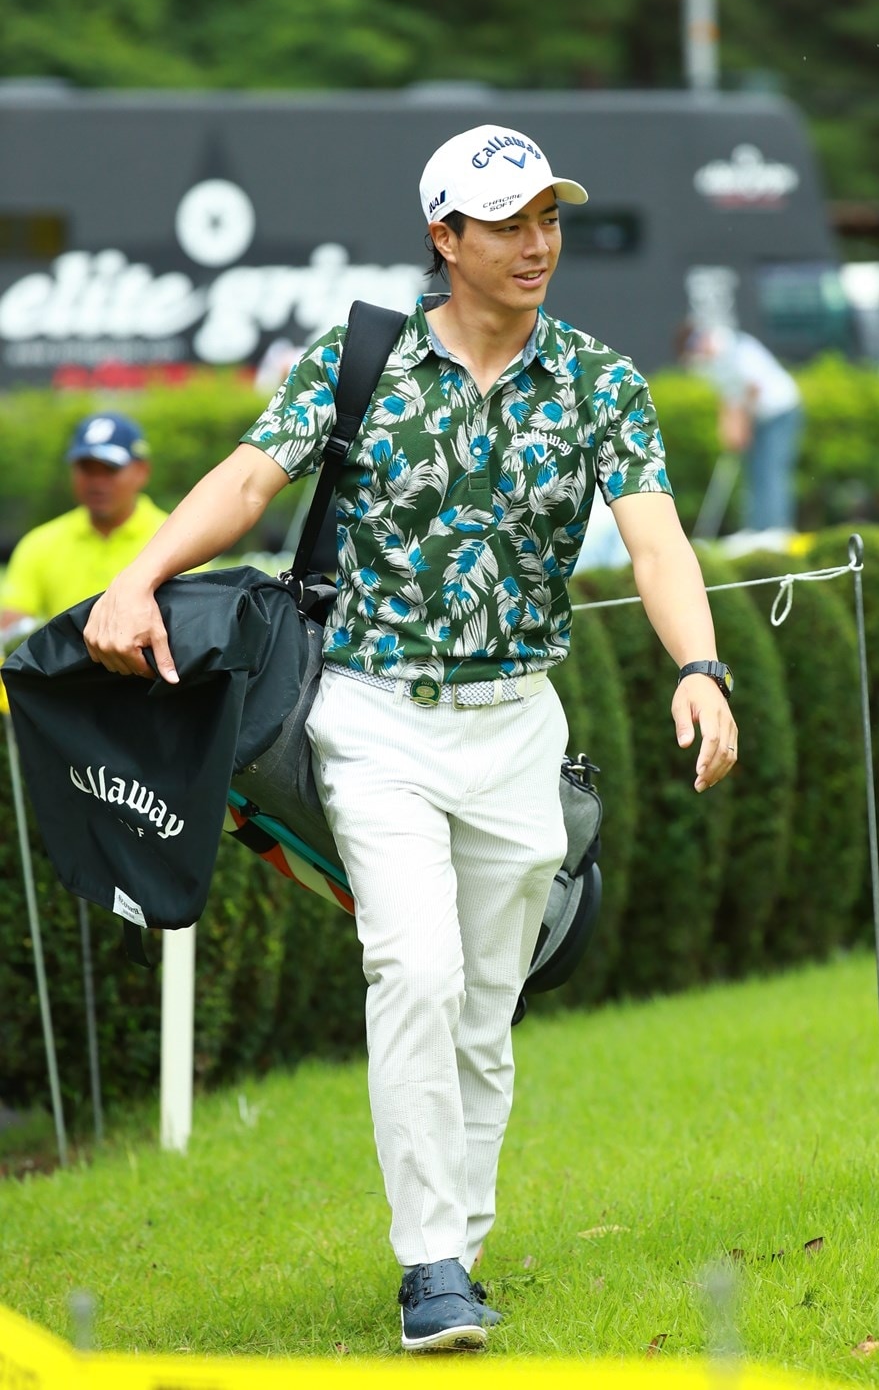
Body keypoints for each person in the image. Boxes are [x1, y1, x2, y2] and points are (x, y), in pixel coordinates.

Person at [82, 126, 739, 1354]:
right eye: (507, 223)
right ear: (445, 237)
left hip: (518, 724)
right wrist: (137, 577)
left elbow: (656, 539)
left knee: (485, 1007)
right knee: (417, 973)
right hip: (372, 719)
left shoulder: (598, 380)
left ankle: (458, 1254)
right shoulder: (359, 357)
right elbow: (247, 480)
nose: (536, 243)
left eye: (548, 217)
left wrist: (699, 668)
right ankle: (428, 1264)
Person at [0, 412, 167, 639]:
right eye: (87, 469)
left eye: (110, 469)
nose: (97, 482)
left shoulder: (175, 538)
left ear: (142, 471)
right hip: (62, 663)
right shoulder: (39, 543)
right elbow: (10, 633)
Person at [676, 319, 803, 538]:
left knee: (770, 470)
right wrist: (728, 431)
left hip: (780, 411)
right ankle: (757, 529)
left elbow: (754, 388)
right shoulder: (712, 365)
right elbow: (727, 399)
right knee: (754, 472)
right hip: (758, 417)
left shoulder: (738, 346)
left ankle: (776, 530)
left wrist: (743, 424)